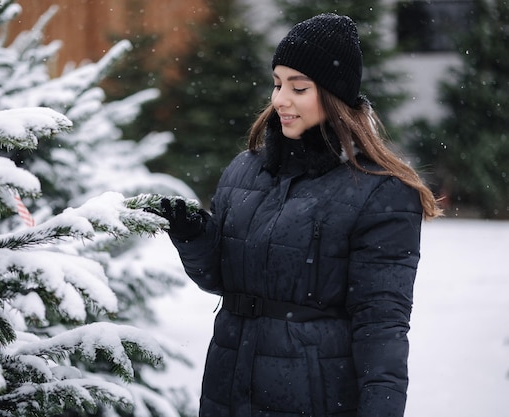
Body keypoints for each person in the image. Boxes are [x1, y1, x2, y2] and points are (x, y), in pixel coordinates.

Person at [151, 13, 442, 417]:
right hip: (228, 387)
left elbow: (381, 326)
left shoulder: (380, 192)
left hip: (316, 397)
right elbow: (220, 280)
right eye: (277, 83)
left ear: (334, 96)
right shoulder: (244, 170)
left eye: (298, 87)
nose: (279, 99)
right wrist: (195, 237)